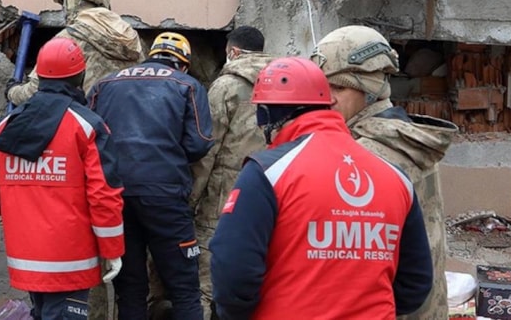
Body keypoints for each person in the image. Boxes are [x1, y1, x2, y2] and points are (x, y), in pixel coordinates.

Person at [210, 57, 433, 319]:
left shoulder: (268, 173)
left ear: (268, 115)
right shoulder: (396, 178)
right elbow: (416, 283)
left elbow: (232, 269)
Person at [310, 25, 458, 320]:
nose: (327, 98)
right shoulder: (401, 135)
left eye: (339, 87)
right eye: (323, 87)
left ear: (371, 89)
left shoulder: (369, 154)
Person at [0, 38, 125, 320]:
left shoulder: (7, 126)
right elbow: (104, 193)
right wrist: (112, 249)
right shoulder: (86, 126)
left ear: (40, 76)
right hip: (70, 260)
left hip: (25, 259)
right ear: (80, 76)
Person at [88, 31, 214, 320]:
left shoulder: (104, 84)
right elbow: (199, 143)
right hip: (165, 196)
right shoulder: (187, 85)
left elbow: (88, 138)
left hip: (114, 197)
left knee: (130, 289)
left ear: (151, 55)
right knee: (184, 289)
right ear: (183, 63)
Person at [188, 25, 273, 319]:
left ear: (233, 52)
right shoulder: (284, 83)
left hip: (224, 199)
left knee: (205, 285)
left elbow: (206, 150)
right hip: (271, 197)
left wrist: (190, 200)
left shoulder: (226, 86)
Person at [7, 0, 145, 106]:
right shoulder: (133, 38)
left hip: (89, 119)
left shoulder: (68, 39)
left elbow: (36, 94)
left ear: (72, 1)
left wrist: (13, 91)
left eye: (65, 2)